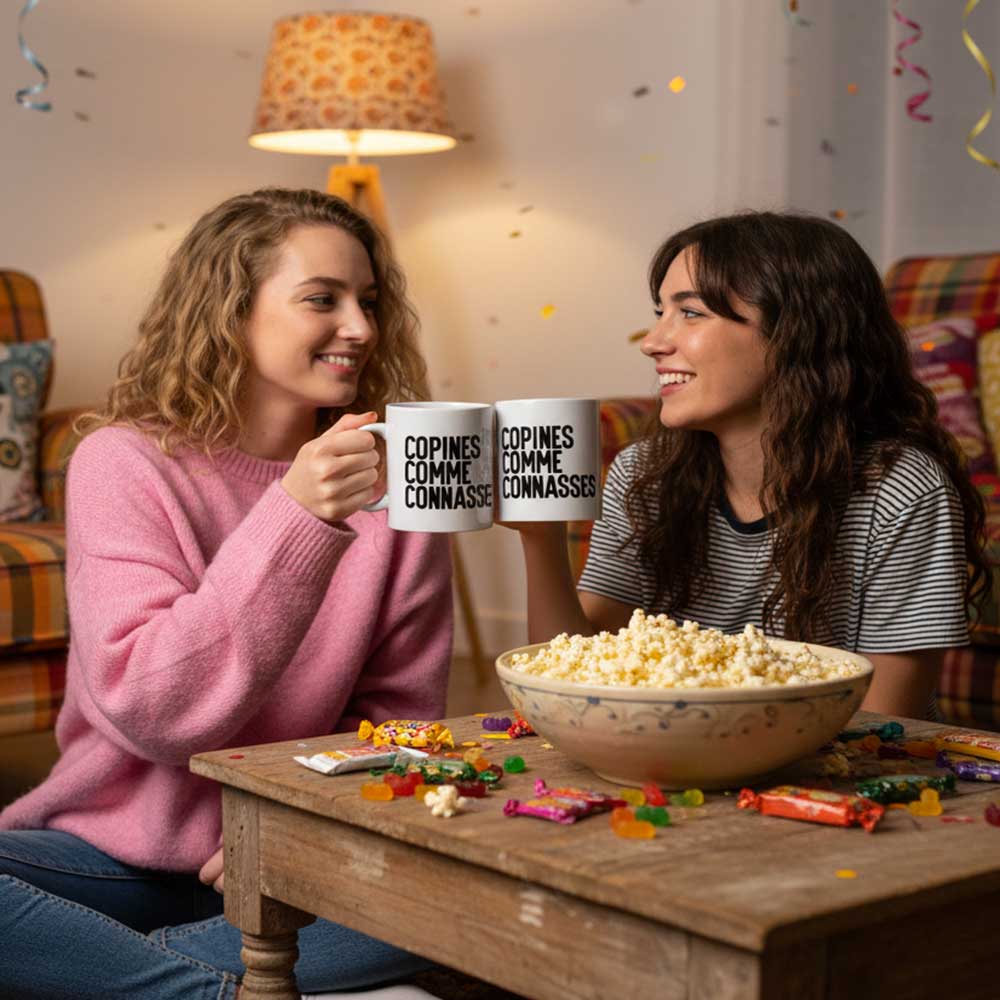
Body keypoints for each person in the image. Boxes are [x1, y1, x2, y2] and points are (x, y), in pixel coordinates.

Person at [0, 187, 453, 999]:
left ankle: (104, 973)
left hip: (302, 867)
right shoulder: (123, 462)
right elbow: (154, 706)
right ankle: (226, 988)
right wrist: (298, 515)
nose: (361, 327)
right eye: (323, 299)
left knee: (466, 902)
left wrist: (289, 825)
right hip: (118, 854)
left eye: (369, 302)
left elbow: (403, 727)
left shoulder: (394, 484)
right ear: (229, 311)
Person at [514, 211, 987, 719]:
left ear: (794, 332)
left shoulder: (900, 488)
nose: (653, 342)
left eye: (690, 313)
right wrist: (539, 538)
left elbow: (888, 717)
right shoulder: (643, 473)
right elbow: (570, 675)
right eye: (661, 312)